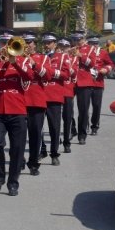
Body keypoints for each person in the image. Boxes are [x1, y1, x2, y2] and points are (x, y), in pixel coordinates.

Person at [0, 34, 35, 196]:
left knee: (17, 148)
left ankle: (13, 182)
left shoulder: (23, 60)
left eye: (8, 43)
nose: (6, 46)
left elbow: (29, 77)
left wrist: (15, 62)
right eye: (3, 43)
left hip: (17, 110)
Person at [22, 31, 52, 174]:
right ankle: (19, 160)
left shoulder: (43, 58)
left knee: (35, 133)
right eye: (24, 43)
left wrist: (34, 64)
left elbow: (48, 75)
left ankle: (33, 163)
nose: (27, 45)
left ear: (34, 44)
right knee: (18, 134)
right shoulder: (15, 58)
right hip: (19, 100)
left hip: (36, 100)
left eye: (29, 42)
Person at [40, 32, 70, 169]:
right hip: (39, 95)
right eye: (45, 43)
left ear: (54, 43)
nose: (47, 45)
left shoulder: (62, 57)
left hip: (54, 95)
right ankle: (42, 150)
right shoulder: (39, 57)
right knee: (37, 127)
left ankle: (54, 153)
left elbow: (66, 74)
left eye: (49, 42)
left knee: (54, 127)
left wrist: (52, 73)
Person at [72, 31, 99, 145]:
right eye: (75, 39)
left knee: (83, 110)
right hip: (71, 81)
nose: (77, 42)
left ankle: (82, 134)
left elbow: (92, 63)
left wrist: (81, 56)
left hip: (84, 82)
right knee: (66, 109)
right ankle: (72, 129)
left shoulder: (90, 49)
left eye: (79, 39)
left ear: (83, 39)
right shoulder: (71, 49)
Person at [87, 35, 115, 136]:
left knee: (96, 106)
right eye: (92, 44)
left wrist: (106, 69)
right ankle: (84, 125)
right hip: (85, 83)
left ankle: (94, 126)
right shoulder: (84, 53)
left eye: (96, 43)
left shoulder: (103, 53)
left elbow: (111, 64)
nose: (94, 46)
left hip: (98, 83)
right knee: (84, 107)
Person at [58, 38, 78, 153]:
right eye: (61, 47)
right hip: (55, 91)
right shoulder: (54, 58)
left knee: (67, 117)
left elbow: (74, 74)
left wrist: (67, 62)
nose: (63, 49)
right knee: (54, 119)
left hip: (67, 91)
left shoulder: (73, 59)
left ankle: (66, 142)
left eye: (65, 47)